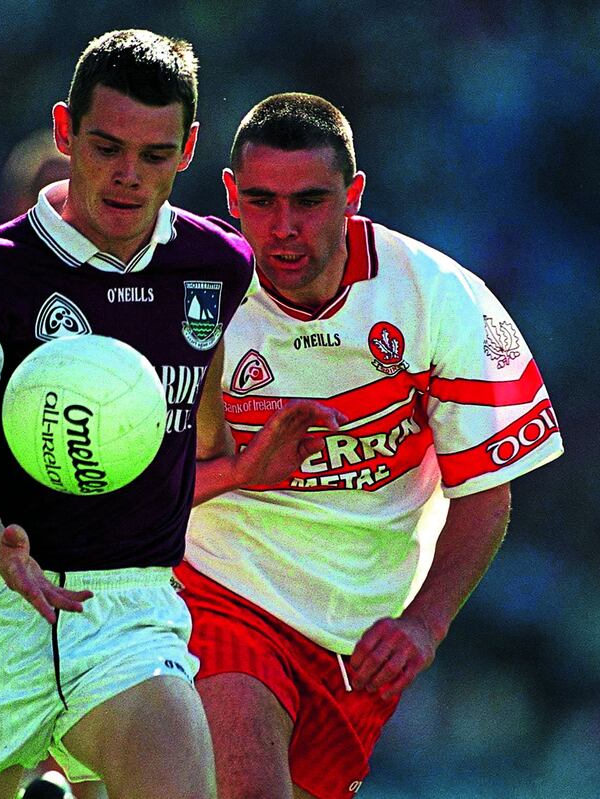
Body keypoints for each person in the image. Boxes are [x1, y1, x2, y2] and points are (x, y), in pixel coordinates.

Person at [0, 31, 325, 799]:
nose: (127, 174)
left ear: (186, 150)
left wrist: (244, 468)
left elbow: (194, 434)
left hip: (127, 606)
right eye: (106, 146)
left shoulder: (219, 267)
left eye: (153, 155)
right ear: (64, 131)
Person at [174, 93, 564, 799]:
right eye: (260, 201)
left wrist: (424, 622)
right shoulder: (196, 293)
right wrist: (238, 467)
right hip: (220, 587)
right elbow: (146, 480)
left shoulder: (438, 297)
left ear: (353, 194)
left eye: (310, 201)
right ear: (230, 194)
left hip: (356, 639)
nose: (284, 227)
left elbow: (485, 492)